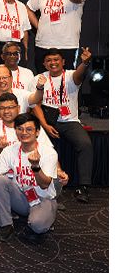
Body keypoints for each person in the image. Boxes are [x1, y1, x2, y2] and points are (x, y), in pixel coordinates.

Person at [0, 113, 60, 242]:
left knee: (37, 226)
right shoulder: (10, 150)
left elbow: (44, 184)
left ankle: (44, 217)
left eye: (29, 129)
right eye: (20, 129)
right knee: (0, 181)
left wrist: (36, 167)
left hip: (43, 198)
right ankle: (6, 226)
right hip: (22, 196)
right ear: (16, 131)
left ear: (37, 132)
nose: (24, 133)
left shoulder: (48, 152)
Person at [30, 47, 95, 203]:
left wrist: (85, 63)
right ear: (44, 64)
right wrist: (45, 125)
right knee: (40, 148)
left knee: (85, 144)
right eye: (49, 60)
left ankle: (83, 187)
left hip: (69, 121)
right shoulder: (39, 78)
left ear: (63, 62)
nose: (53, 63)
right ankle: (46, 185)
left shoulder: (71, 76)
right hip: (47, 122)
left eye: (56, 59)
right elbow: (34, 104)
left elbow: (80, 75)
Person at [26, 0, 86, 72]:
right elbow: (28, 8)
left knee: (67, 80)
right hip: (43, 44)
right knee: (42, 78)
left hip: (67, 45)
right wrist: (38, 26)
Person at [0, 41, 37, 106]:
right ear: (2, 56)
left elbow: (33, 97)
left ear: (20, 56)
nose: (12, 56)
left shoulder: (28, 73)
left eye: (15, 53)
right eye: (8, 54)